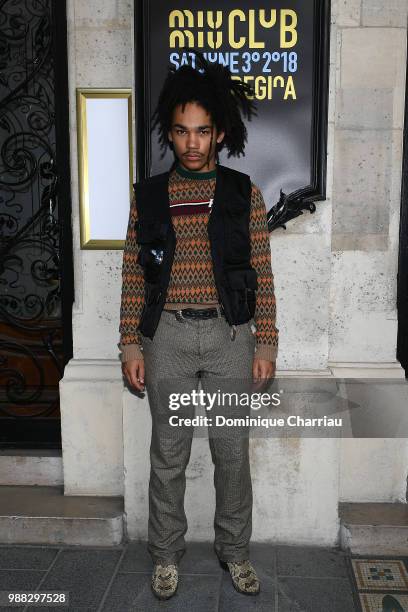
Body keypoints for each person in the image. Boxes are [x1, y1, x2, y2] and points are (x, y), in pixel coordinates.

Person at [118, 50, 279, 601]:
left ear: (219, 133)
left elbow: (262, 272)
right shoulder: (149, 197)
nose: (192, 142)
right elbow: (132, 276)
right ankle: (166, 556)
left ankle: (235, 551)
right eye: (182, 131)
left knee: (232, 452)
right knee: (168, 454)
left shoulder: (244, 194)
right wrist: (128, 345)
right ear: (170, 132)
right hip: (166, 338)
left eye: (203, 131)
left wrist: (268, 343)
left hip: (232, 338)